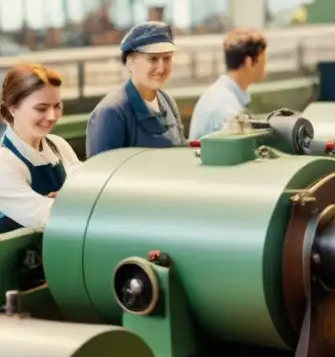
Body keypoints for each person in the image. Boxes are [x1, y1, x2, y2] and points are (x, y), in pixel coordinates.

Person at [0, 64, 82, 232]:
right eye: (41, 108)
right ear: (13, 108)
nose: (52, 117)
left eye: (57, 106)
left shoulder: (58, 146)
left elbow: (91, 189)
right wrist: (70, 200)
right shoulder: (4, 163)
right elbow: (47, 216)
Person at [86, 21, 186, 157]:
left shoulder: (168, 102)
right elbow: (102, 175)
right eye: (153, 59)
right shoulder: (111, 114)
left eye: (167, 58)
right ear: (130, 61)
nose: (161, 68)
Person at [189, 28, 268, 140]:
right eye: (263, 59)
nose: (265, 66)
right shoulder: (227, 110)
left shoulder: (221, 94)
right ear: (248, 62)